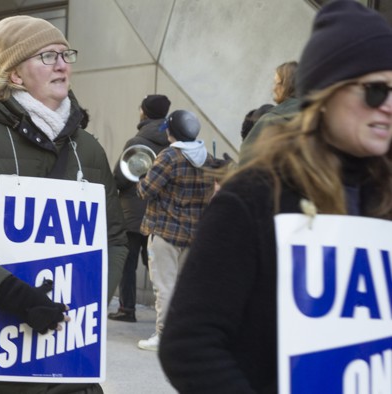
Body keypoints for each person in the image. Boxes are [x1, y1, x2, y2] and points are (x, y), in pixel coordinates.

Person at [158, 1, 392, 392]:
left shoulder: (382, 196)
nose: (388, 106)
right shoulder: (254, 197)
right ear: (325, 93)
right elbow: (189, 344)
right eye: (374, 91)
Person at [0, 15, 127, 393]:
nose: (62, 64)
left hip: (70, 360)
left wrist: (90, 292)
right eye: (48, 56)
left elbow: (114, 237)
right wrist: (10, 294)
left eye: (66, 54)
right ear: (15, 75)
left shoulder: (89, 149)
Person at [135, 109, 217, 351]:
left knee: (164, 286)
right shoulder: (208, 158)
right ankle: (184, 335)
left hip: (166, 233)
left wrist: (141, 176)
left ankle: (163, 336)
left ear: (172, 132)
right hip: (194, 234)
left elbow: (145, 191)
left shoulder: (169, 156)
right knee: (184, 288)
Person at [108, 94, 171, 323]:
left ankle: (127, 309)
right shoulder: (173, 141)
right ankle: (164, 314)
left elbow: (120, 177)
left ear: (144, 112)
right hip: (162, 213)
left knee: (128, 264)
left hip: (133, 213)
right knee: (158, 265)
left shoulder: (137, 142)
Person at [239, 61, 299, 160]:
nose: (273, 89)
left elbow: (248, 165)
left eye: (276, 83)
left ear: (286, 85)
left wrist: (229, 167)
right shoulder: (311, 120)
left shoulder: (272, 120)